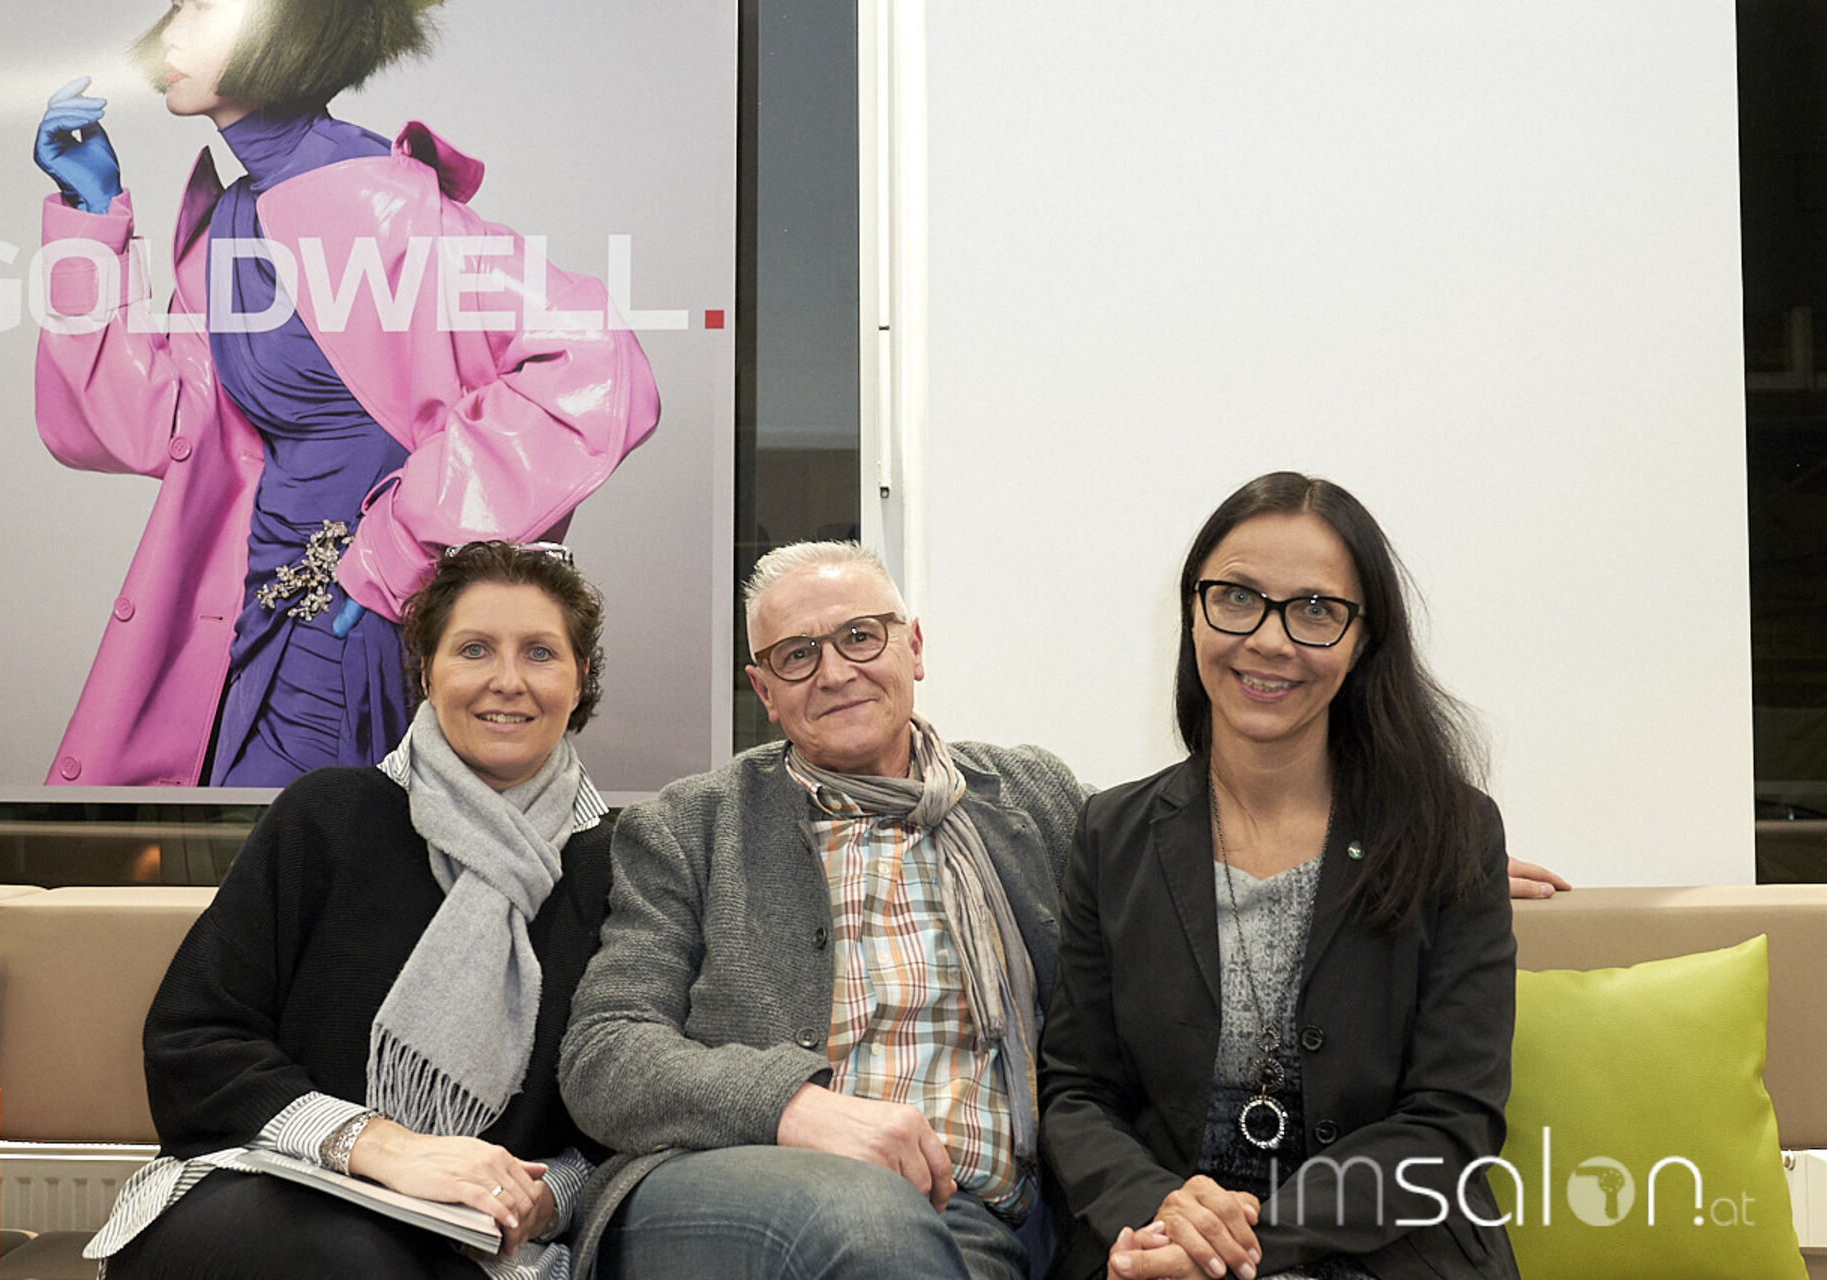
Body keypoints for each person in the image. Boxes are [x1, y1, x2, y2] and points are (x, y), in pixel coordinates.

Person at [29, 0, 659, 787]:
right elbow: (153, 426)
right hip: (243, 618)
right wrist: (91, 219)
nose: (174, 31)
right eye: (178, 5)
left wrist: (401, 544)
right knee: (243, 847)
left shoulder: (375, 202)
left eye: (207, 7)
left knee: (302, 848)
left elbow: (596, 359)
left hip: (342, 635)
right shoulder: (237, 213)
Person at [85, 541, 615, 1279]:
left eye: (540, 653)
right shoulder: (326, 816)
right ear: (426, 671)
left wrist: (542, 1198)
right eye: (473, 649)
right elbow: (195, 1042)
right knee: (354, 1258)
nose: (507, 680)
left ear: (580, 678)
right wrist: (377, 1146)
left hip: (482, 1242)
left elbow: (626, 1116)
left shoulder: (623, 866)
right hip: (265, 1191)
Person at [1039, 472, 1521, 1280]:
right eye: (1237, 598)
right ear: (1194, 612)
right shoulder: (1111, 835)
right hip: (1158, 1250)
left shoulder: (1449, 834)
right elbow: (1078, 1092)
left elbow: (1451, 1119)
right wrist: (1159, 1212)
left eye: (1316, 610)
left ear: (1364, 637)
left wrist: (1242, 1240)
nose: (1269, 639)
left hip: (1383, 1253)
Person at [559, 541, 1086, 1280]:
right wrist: (793, 1106)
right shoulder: (692, 826)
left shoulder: (1035, 800)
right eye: (797, 655)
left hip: (966, 1210)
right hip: (730, 1183)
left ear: (914, 647)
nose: (835, 673)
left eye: (861, 636)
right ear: (764, 690)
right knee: (865, 1221)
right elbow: (605, 1053)